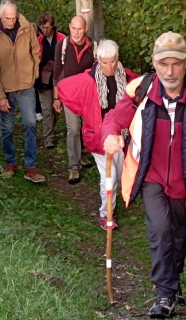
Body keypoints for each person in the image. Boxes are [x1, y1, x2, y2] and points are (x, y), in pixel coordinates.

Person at [101, 31, 186, 318]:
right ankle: (164, 296)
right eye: (163, 64)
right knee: (160, 231)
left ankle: (173, 283)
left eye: (176, 64)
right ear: (154, 62)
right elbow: (113, 118)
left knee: (178, 237)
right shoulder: (142, 90)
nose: (169, 71)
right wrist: (110, 134)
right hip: (152, 176)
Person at [57, 39, 138, 230]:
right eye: (104, 62)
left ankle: (112, 206)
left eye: (112, 61)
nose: (109, 66)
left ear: (117, 59)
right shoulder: (89, 79)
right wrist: (83, 110)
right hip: (99, 137)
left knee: (118, 175)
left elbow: (144, 93)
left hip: (122, 136)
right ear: (98, 60)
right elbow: (63, 88)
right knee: (108, 178)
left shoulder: (128, 78)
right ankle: (106, 214)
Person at [0, 0, 45, 183]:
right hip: (5, 88)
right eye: (7, 18)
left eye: (14, 17)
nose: (11, 22)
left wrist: (33, 75)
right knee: (8, 128)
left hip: (26, 85)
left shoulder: (27, 28)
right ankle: (10, 162)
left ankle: (30, 166)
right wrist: (0, 96)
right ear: (0, 16)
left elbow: (36, 51)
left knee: (30, 123)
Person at [53, 15, 95, 185]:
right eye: (73, 28)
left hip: (86, 96)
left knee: (86, 127)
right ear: (69, 27)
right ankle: (73, 168)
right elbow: (57, 72)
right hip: (69, 96)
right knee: (73, 129)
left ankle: (82, 154)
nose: (76, 33)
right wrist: (56, 97)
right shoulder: (62, 46)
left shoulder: (94, 47)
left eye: (80, 29)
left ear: (85, 29)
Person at [35, 12, 66, 149]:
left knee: (56, 109)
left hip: (60, 79)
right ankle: (48, 139)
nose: (45, 30)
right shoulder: (37, 40)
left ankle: (50, 130)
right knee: (46, 110)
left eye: (47, 27)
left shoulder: (62, 38)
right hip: (43, 80)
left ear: (52, 26)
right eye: (42, 27)